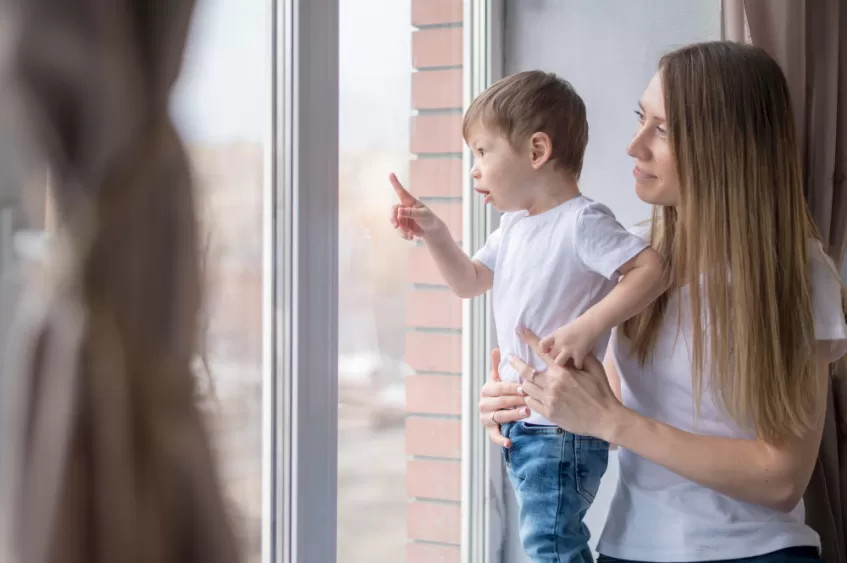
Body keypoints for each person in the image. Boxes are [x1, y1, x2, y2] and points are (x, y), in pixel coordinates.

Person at [478, 41, 847, 563]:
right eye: (640, 118)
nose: (634, 146)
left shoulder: (798, 276)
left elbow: (781, 478)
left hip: (758, 554)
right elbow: (602, 407)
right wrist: (530, 407)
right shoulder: (630, 258)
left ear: (727, 145)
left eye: (663, 129)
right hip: (628, 548)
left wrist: (614, 423)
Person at [389, 70, 665, 562]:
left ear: (537, 151)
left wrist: (587, 327)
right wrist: (434, 232)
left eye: (482, 152)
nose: (474, 170)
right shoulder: (513, 227)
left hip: (560, 426)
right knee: (547, 543)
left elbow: (651, 270)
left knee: (550, 546)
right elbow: (469, 281)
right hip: (528, 423)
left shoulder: (583, 222)